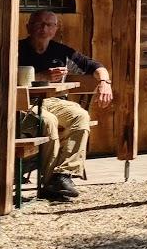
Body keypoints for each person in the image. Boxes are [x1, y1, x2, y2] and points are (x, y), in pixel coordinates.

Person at [19, 10, 112, 202]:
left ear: (55, 29)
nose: (44, 28)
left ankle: (63, 175)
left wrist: (105, 83)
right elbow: (1, 76)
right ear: (28, 27)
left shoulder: (62, 52)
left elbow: (95, 66)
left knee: (80, 116)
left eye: (49, 25)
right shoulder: (16, 50)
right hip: (22, 102)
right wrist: (42, 76)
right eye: (38, 24)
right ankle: (49, 181)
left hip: (54, 100)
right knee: (48, 122)